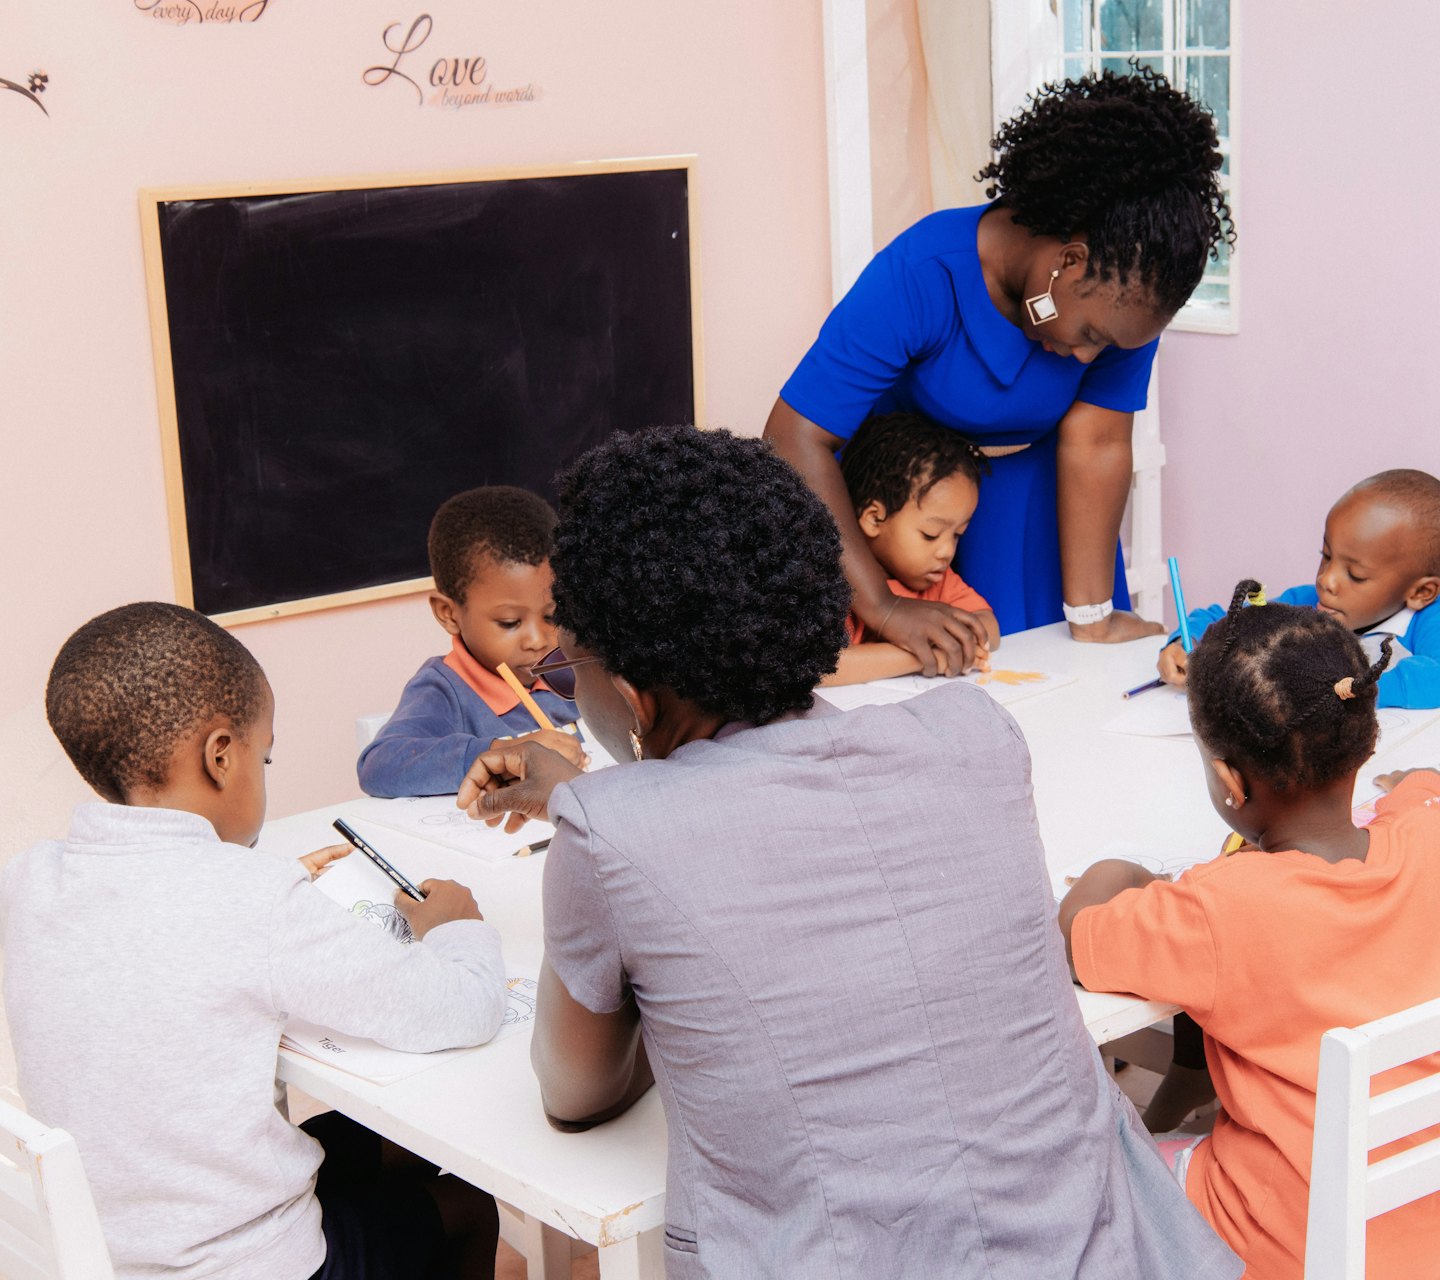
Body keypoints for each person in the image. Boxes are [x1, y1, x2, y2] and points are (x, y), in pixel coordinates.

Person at [455, 424, 1240, 1278]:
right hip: (1102, 1253)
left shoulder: (608, 831)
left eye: (572, 666)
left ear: (633, 695)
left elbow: (576, 1093)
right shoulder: (974, 733)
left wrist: (601, 846)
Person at [3, 602, 507, 1279]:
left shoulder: (27, 879)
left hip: (105, 1243)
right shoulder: (254, 902)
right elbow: (464, 1008)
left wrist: (254, 891)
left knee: (394, 1146)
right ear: (220, 756)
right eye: (263, 755)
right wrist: (456, 924)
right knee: (467, 1203)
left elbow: (154, 931)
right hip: (241, 1263)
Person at [765, 66, 1234, 676]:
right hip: (907, 520)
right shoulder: (923, 273)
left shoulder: (1127, 297)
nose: (1090, 358)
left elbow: (1095, 442)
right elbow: (795, 437)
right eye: (1091, 336)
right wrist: (883, 605)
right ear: (1069, 261)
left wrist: (1090, 613)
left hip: (1038, 519)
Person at [1059, 583, 1440, 1278]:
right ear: (1364, 744)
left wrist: (1119, 870)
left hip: (1285, 1247)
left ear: (1229, 780)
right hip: (1424, 1227)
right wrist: (1411, 788)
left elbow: (1077, 938)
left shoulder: (1217, 909)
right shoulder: (1428, 836)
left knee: (1110, 1172)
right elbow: (1422, 790)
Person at [358, 485, 586, 797]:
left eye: (551, 616)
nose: (537, 641)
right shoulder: (444, 690)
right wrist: (502, 751)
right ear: (449, 614)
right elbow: (378, 767)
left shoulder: (570, 667)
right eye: (509, 622)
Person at [1158, 469, 1440, 707]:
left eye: (1355, 575)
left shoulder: (1428, 621)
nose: (1326, 580)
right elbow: (1224, 620)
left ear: (1421, 592)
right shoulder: (1305, 603)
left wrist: (1351, 690)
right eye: (1326, 556)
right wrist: (1185, 643)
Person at [823, 411, 998, 685]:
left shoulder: (937, 580)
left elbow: (988, 627)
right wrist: (926, 656)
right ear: (874, 518)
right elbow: (821, 668)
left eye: (957, 535)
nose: (946, 552)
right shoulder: (835, 585)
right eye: (930, 534)